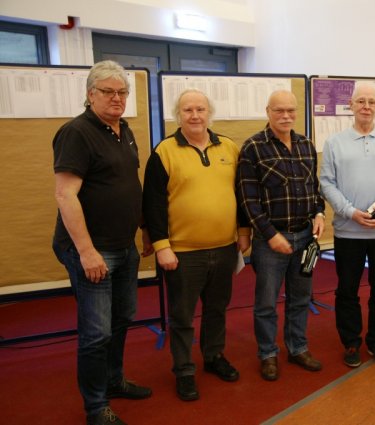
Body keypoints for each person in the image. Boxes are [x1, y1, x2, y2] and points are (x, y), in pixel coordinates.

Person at [52, 60, 152, 425]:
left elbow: (127, 185)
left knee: (122, 319)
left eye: (122, 92)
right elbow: (65, 195)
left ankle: (113, 381)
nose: (117, 98)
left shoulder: (123, 129)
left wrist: (144, 228)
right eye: (108, 91)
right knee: (96, 333)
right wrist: (86, 251)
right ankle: (96, 407)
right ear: (90, 94)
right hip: (93, 251)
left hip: (123, 245)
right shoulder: (76, 132)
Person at [142, 89, 251, 400]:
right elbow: (152, 204)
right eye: (188, 110)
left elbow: (242, 194)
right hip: (182, 253)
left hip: (225, 248)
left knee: (217, 309)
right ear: (178, 115)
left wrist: (244, 231)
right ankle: (184, 370)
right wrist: (161, 245)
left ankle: (214, 356)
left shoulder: (229, 147)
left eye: (200, 109)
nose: (195, 115)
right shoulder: (164, 152)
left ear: (209, 113)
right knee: (182, 316)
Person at [236, 90, 325, 381]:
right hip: (270, 242)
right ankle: (267, 354)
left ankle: (297, 348)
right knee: (266, 304)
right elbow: (248, 200)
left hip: (306, 240)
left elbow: (314, 189)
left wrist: (320, 213)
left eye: (291, 110)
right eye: (279, 110)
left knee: (301, 298)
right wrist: (270, 234)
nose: (286, 116)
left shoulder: (306, 145)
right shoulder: (253, 147)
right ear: (268, 111)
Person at [320, 83, 375, 368]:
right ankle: (351, 342)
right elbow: (327, 183)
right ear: (351, 105)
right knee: (347, 290)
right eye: (361, 101)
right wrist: (349, 212)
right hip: (349, 232)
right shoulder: (335, 143)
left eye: (372, 101)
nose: (366, 106)